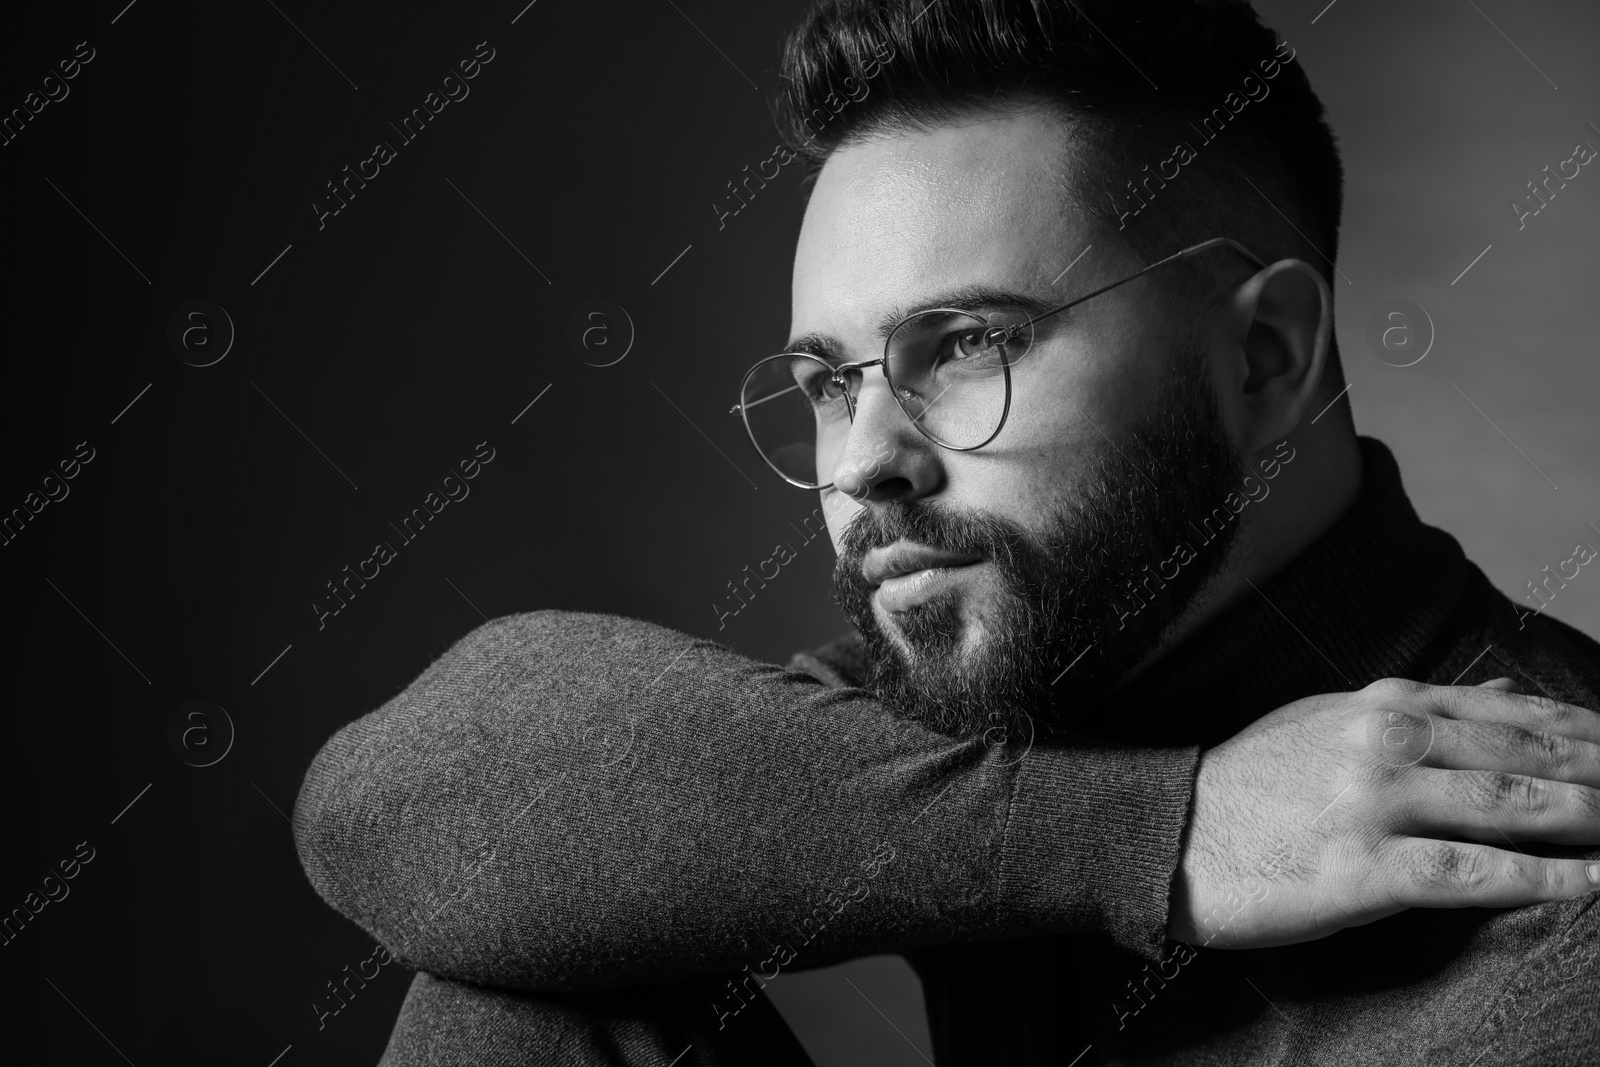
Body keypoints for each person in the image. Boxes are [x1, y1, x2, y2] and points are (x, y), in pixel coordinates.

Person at [293, 1, 1600, 1063]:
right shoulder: (1015, 679)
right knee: (536, 973)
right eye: (831, 382)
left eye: (967, 345)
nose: (866, 464)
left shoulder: (1552, 929)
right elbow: (401, 804)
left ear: (1262, 356)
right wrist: (1163, 833)